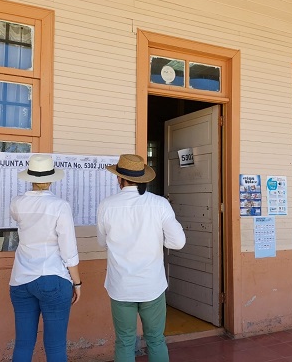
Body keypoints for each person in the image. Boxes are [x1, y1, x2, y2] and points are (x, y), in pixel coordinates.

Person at [96, 154, 186, 362]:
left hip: (121, 286)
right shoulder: (159, 204)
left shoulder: (106, 205)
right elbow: (177, 242)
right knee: (155, 339)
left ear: (119, 179)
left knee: (125, 341)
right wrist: (157, 241)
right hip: (151, 285)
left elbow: (102, 242)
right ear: (142, 178)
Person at [9, 154, 82, 362]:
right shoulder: (60, 206)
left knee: (23, 343)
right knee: (56, 346)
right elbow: (68, 250)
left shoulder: (17, 203)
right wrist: (77, 283)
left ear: (30, 178)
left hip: (21, 279)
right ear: (51, 179)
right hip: (53, 277)